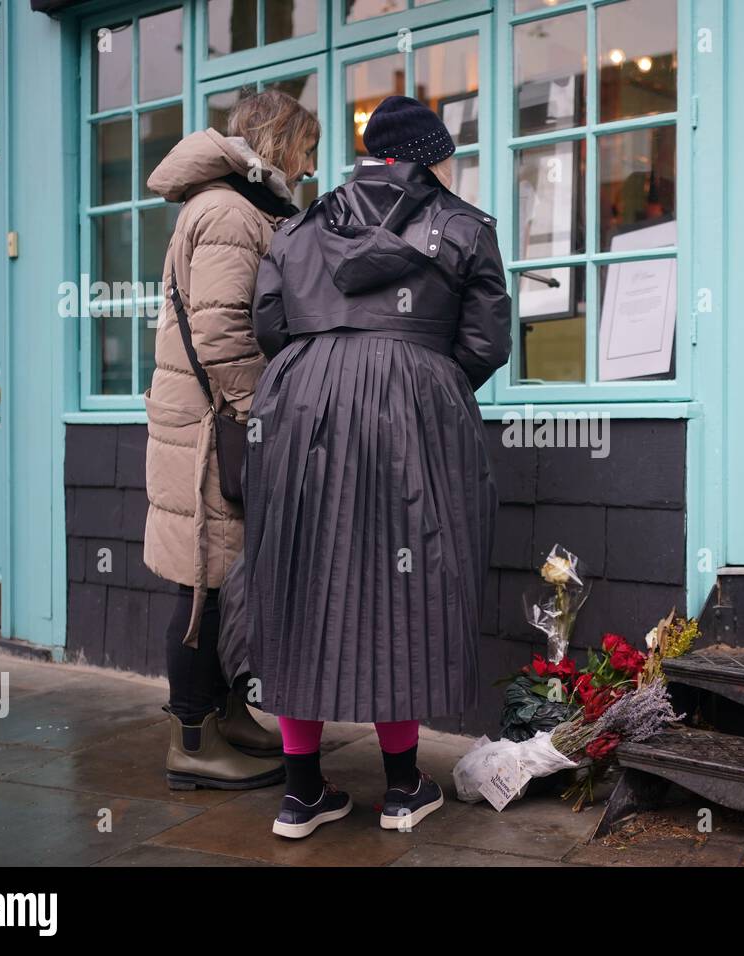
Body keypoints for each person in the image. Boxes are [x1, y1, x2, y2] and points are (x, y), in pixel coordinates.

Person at [245, 95, 511, 837]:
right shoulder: (464, 227)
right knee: (408, 582)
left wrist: (319, 377)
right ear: (431, 156)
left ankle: (302, 795)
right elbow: (487, 342)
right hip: (414, 409)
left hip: (299, 411)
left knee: (300, 578)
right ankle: (401, 788)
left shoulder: (297, 226)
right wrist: (423, 382)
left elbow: (268, 323)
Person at [143, 91, 320, 790]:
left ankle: (224, 713)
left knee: (223, 577)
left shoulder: (240, 207)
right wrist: (265, 412)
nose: (310, 164)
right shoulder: (226, 212)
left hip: (215, 426)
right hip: (212, 433)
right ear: (277, 143)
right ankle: (191, 737)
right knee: (202, 587)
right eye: (306, 147)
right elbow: (220, 335)